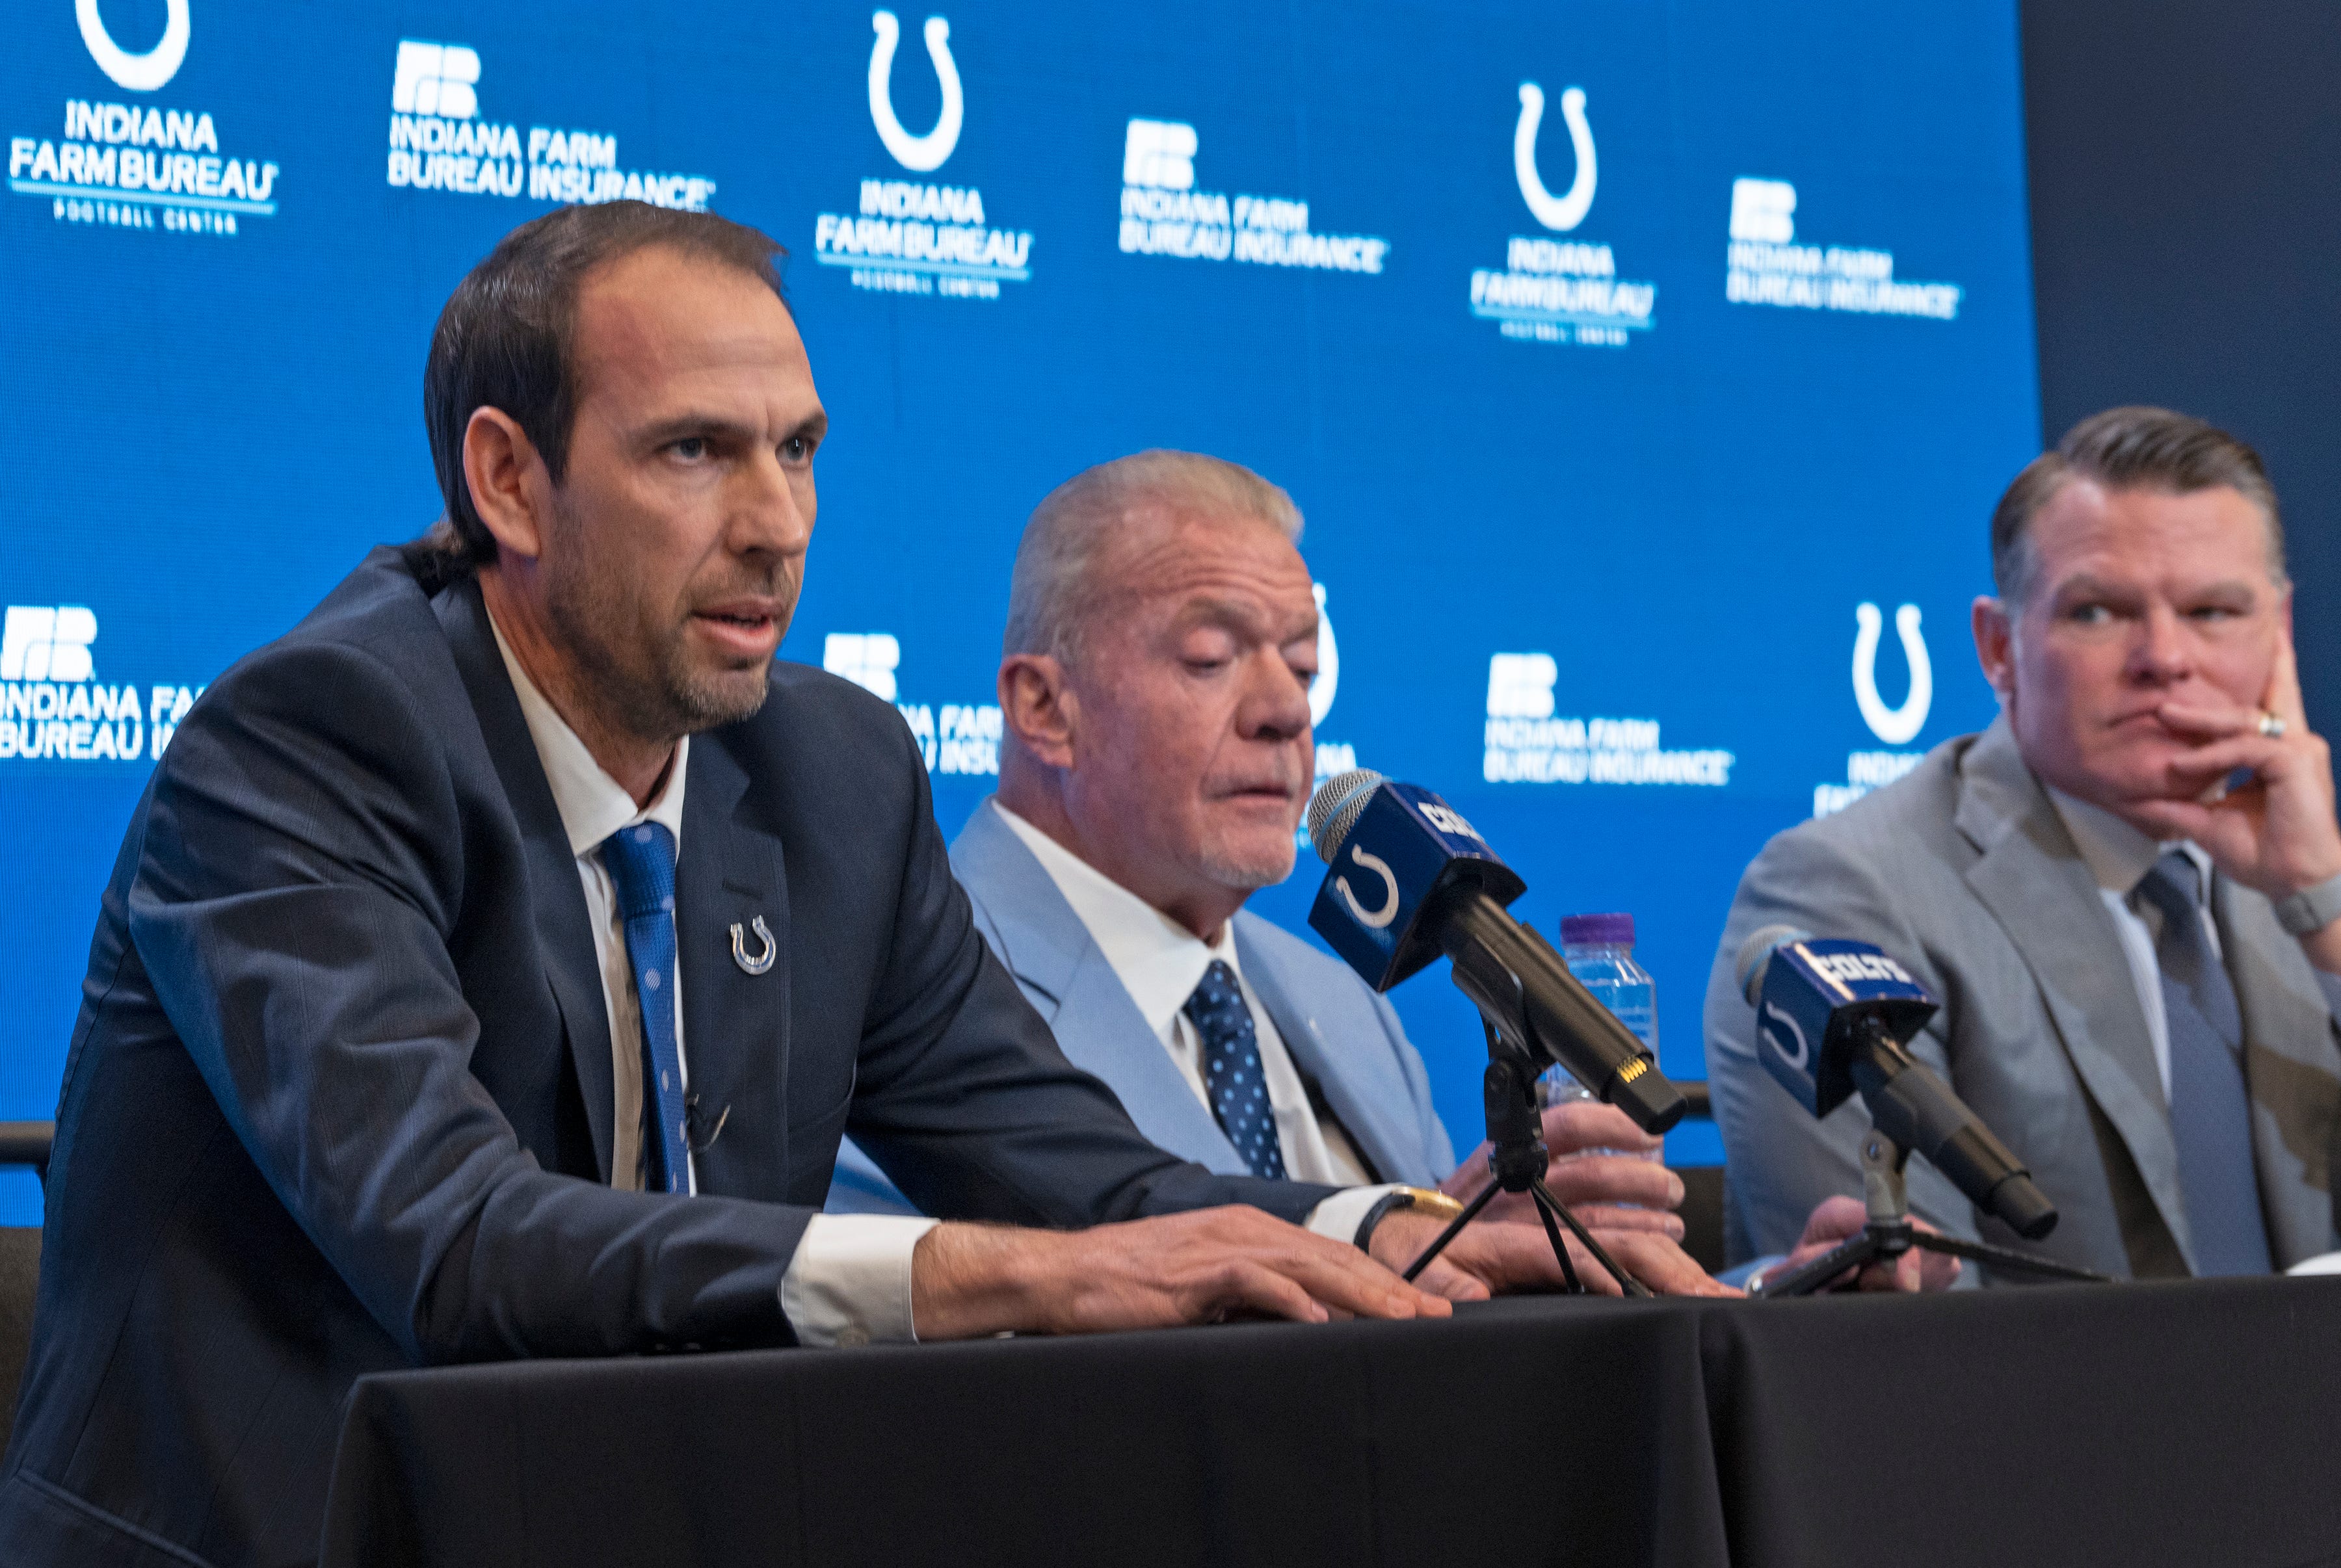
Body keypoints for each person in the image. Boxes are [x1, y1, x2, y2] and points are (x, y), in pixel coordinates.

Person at [0, 205, 1572, 1567]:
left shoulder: (833, 770)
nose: (777, 525)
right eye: (695, 451)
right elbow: (453, 1242)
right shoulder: (307, 746)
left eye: (799, 449)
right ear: (510, 482)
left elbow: (1069, 1172)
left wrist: (1384, 1228)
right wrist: (978, 1272)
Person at [831, 451, 1944, 1294]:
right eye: (1212, 658)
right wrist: (1400, 1246)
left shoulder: (1333, 1000)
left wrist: (1777, 1295)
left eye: (1304, 664)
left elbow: (1466, 1322)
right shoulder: (897, 990)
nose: (1283, 712)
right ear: (1044, 707)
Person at [1706, 407, 2341, 1283]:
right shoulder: (1845, 891)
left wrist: (2324, 905)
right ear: (2000, 649)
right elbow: (1906, 1324)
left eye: (2212, 611)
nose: (2164, 657)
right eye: (2098, 612)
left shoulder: (2313, 882)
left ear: (2278, 635)